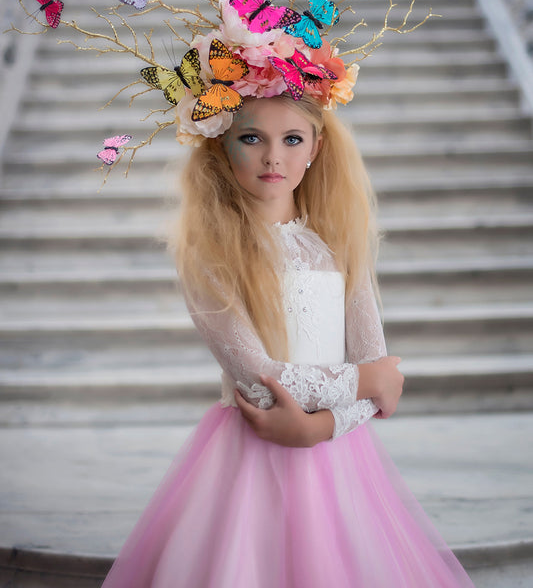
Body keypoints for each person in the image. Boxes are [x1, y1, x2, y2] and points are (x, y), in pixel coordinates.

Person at [100, 80, 475, 586]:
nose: (273, 157)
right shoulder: (210, 254)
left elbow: (380, 377)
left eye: (292, 140)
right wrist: (367, 381)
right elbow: (263, 381)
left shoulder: (340, 244)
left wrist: (321, 427)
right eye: (252, 138)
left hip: (341, 455)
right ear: (220, 143)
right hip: (252, 456)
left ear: (317, 147)